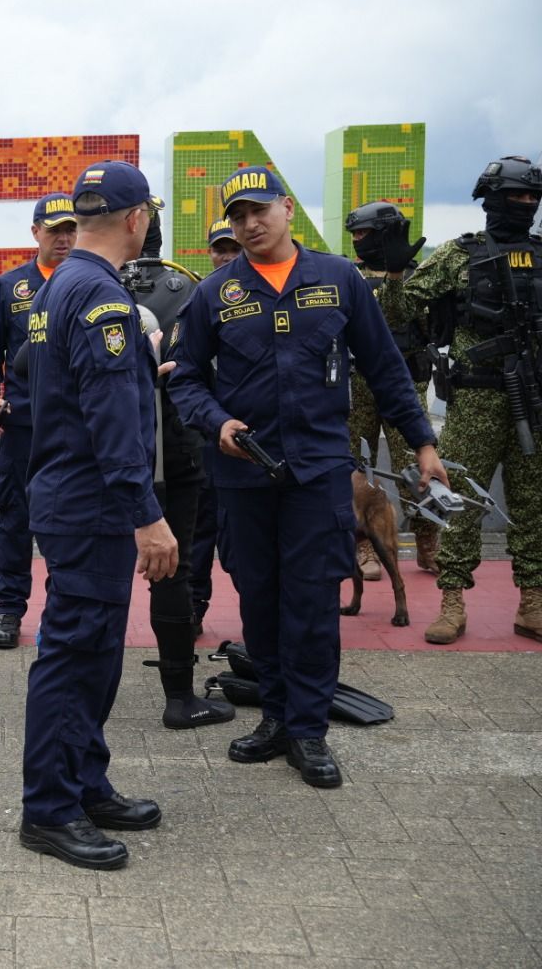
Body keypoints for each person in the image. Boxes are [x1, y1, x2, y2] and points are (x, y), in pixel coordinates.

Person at [168, 169, 445, 789]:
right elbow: (183, 376)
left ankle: (310, 730)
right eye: (237, 216)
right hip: (244, 473)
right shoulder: (216, 293)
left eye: (259, 211)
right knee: (260, 598)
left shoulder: (339, 279)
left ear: (287, 209)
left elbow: (386, 368)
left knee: (313, 600)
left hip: (319, 471)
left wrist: (424, 444)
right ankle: (274, 716)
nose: (249, 224)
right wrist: (216, 423)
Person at [19, 160, 176, 871]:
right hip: (94, 504)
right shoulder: (104, 298)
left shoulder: (61, 287)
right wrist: (147, 515)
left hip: (74, 496)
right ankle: (50, 810)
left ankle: (84, 782)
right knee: (77, 653)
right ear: (138, 218)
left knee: (95, 652)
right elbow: (113, 423)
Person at [375, 155, 542, 644]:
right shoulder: (459, 255)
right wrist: (395, 272)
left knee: (533, 506)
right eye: (516, 196)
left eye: (533, 198)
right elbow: (400, 309)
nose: (526, 205)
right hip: (476, 401)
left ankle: (532, 601)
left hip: (533, 398)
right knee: (462, 503)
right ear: (491, 200)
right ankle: (452, 602)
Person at [130, 203, 237, 731]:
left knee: (84, 577)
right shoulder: (192, 289)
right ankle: (179, 695)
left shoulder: (70, 286)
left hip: (106, 456)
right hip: (177, 449)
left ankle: (77, 694)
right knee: (175, 570)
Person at [0, 192, 77, 649]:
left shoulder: (92, 283)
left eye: (72, 229)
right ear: (36, 233)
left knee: (70, 525)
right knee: (15, 523)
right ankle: (9, 612)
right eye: (55, 231)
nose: (65, 238)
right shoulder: (11, 288)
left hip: (76, 432)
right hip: (24, 430)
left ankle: (63, 614)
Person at [344, 201, 437, 579]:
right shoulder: (348, 277)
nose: (357, 242)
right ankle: (363, 546)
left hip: (405, 385)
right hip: (358, 384)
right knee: (355, 468)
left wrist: (396, 277)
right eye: (354, 236)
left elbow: (409, 319)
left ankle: (427, 543)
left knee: (415, 469)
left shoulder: (417, 278)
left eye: (363, 234)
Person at [188, 218, 244, 627]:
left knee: (243, 544)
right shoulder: (199, 298)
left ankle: (259, 621)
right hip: (209, 437)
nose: (225, 257)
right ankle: (194, 608)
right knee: (201, 530)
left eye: (232, 249)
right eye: (218, 249)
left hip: (256, 441)